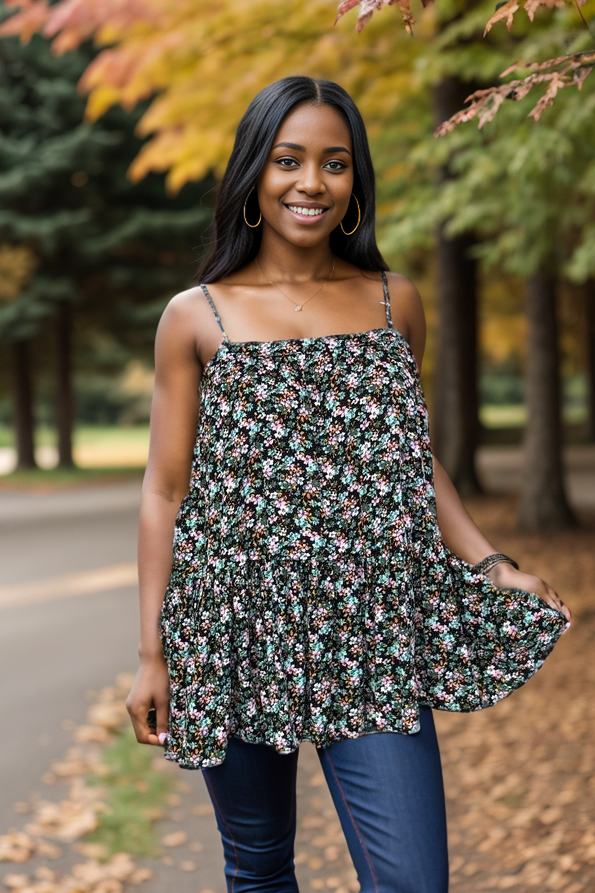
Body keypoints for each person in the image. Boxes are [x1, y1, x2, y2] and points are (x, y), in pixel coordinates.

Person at [125, 76, 571, 893]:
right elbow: (163, 489)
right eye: (288, 160)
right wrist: (153, 652)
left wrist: (488, 560)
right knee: (258, 869)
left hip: (370, 627)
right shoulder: (195, 315)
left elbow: (410, 457)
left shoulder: (393, 300)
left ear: (355, 182)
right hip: (234, 623)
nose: (311, 183)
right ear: (254, 173)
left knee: (412, 880)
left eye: (335, 164)